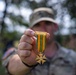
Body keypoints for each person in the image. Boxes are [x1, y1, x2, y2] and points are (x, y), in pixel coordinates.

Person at [2, 7, 76, 75]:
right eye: (37, 25)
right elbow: (12, 66)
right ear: (31, 29)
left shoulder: (72, 57)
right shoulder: (23, 52)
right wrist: (26, 63)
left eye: (47, 23)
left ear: (55, 27)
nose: (43, 29)